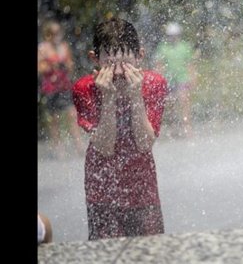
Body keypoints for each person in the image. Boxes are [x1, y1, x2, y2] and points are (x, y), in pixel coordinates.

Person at [72, 17, 168, 240]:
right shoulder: (85, 89)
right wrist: (108, 98)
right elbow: (105, 147)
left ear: (140, 56)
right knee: (107, 254)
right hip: (102, 191)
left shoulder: (154, 83)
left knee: (151, 252)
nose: (118, 73)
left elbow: (145, 143)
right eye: (110, 65)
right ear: (94, 59)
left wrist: (135, 96)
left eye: (125, 65)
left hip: (142, 188)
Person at [38, 20, 85, 158]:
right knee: (54, 119)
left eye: (59, 32)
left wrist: (65, 66)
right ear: (48, 35)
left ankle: (79, 144)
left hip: (64, 86)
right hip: (50, 88)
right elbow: (40, 68)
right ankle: (58, 147)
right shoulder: (43, 48)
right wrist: (52, 66)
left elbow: (70, 64)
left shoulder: (64, 46)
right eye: (54, 33)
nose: (57, 35)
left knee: (72, 114)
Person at [153, 22, 197, 139]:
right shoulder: (163, 47)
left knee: (184, 101)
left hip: (183, 78)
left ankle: (187, 126)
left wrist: (193, 77)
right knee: (170, 103)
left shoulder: (185, 47)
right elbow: (159, 65)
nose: (173, 37)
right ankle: (173, 127)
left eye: (175, 35)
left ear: (179, 35)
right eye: (170, 35)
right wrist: (158, 80)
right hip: (169, 80)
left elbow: (190, 64)